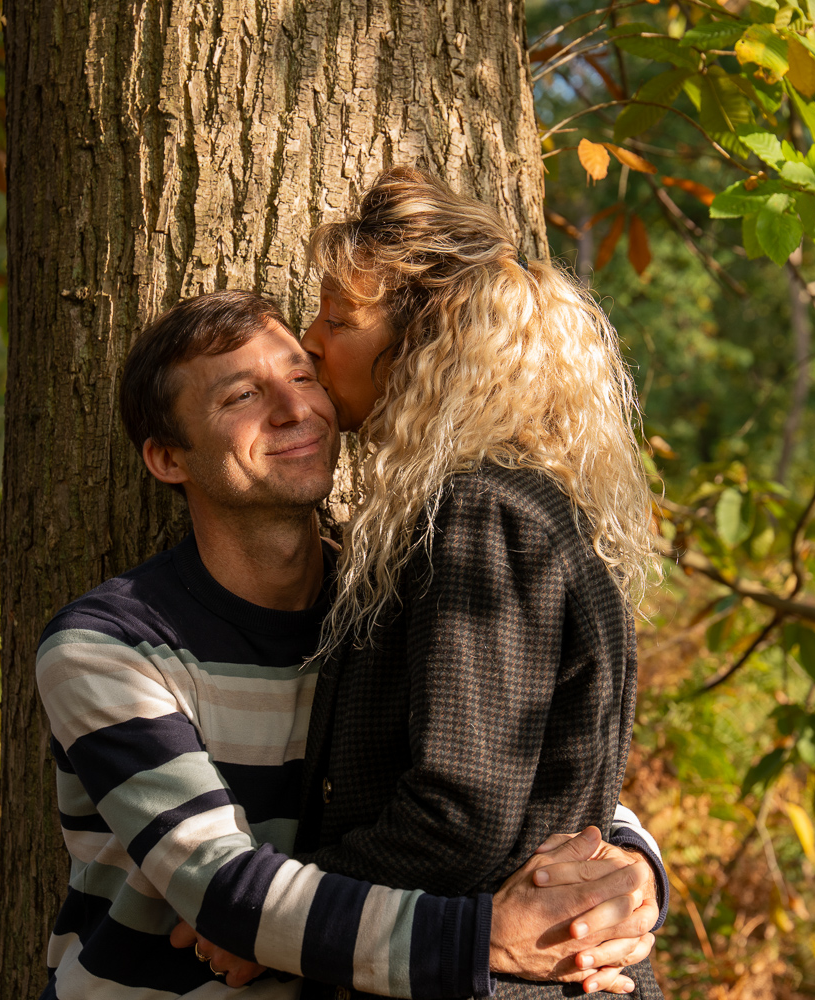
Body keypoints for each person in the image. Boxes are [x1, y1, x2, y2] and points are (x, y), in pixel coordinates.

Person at [36, 291, 664, 1000]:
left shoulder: (392, 603)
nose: (293, 409)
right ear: (167, 458)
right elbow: (219, 887)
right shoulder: (107, 648)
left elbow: (516, 768)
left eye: (304, 376)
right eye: (242, 395)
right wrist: (489, 938)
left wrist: (630, 871)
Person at [286, 167, 664, 1000]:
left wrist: (285, 916)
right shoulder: (523, 502)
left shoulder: (481, 512)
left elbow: (462, 808)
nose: (309, 341)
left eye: (337, 319)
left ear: (426, 340)